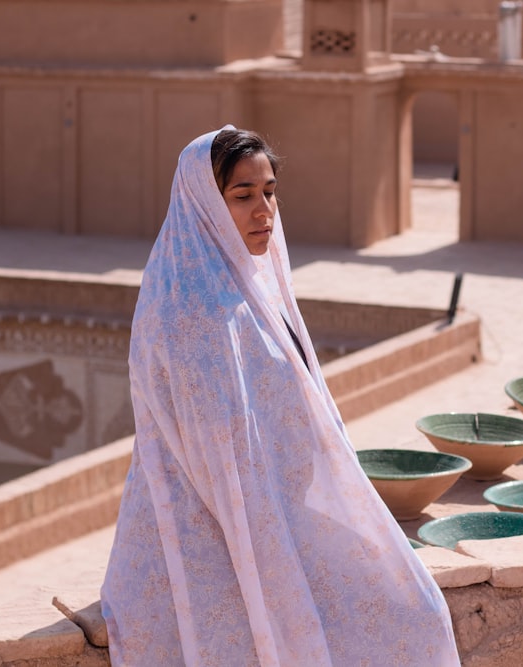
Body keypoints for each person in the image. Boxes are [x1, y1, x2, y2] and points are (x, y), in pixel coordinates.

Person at [100, 125, 461, 666]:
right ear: (204, 203)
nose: (263, 210)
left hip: (280, 514)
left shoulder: (256, 285)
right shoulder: (188, 308)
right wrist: (277, 558)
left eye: (268, 192)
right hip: (216, 531)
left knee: (420, 615)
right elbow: (217, 463)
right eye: (242, 196)